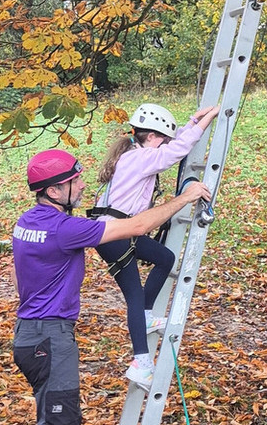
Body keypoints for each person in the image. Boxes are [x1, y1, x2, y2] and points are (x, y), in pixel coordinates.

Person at [12, 148, 211, 425]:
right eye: (74, 180)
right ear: (54, 192)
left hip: (27, 336)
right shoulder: (65, 229)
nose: (82, 184)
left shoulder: (25, 223)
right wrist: (185, 198)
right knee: (62, 421)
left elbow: (17, 275)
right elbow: (138, 226)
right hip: (51, 339)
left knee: (51, 415)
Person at [91, 102, 221, 390]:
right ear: (151, 138)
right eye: (162, 138)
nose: (164, 144)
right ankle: (141, 362)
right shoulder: (141, 158)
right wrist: (204, 122)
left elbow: (171, 147)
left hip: (122, 228)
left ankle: (147, 316)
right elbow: (174, 153)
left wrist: (191, 123)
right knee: (133, 293)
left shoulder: (136, 153)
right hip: (115, 232)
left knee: (165, 258)